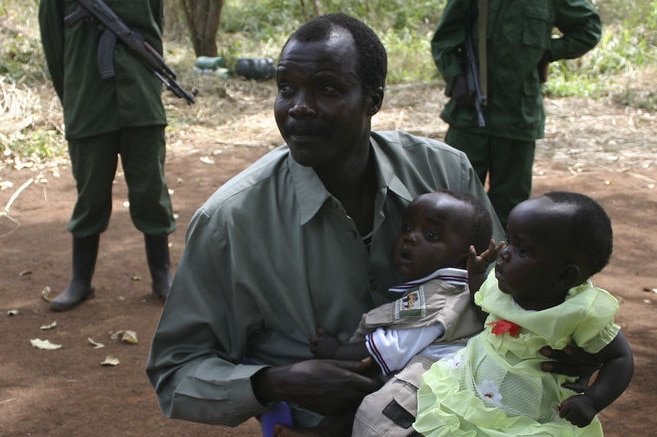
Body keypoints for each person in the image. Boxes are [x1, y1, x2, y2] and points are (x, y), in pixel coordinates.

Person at [146, 13, 594, 433]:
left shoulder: (444, 173)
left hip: (466, 412)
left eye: (326, 89)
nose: (298, 107)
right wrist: (274, 382)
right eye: (286, 88)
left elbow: (511, 289)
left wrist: (564, 344)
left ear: (373, 99)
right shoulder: (231, 221)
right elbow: (177, 369)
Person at [273, 189, 504, 436]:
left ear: (462, 260)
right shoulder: (437, 289)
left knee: (375, 404)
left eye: (431, 235)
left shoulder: (448, 299)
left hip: (428, 389)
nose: (410, 238)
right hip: (420, 377)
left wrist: (337, 351)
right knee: (366, 393)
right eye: (407, 228)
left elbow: (393, 348)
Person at [413, 191, 634, 436]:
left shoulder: (580, 313)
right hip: (470, 388)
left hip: (533, 418)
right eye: (509, 240)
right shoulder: (504, 287)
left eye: (523, 250)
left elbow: (620, 359)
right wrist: (476, 276)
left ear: (565, 276)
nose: (505, 253)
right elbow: (485, 311)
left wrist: (593, 400)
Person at [38, 0, 176, 311]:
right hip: (88, 103)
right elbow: (54, 48)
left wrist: (150, 86)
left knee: (152, 190)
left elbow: (155, 33)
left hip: (141, 102)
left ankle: (162, 276)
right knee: (90, 196)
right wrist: (74, 98)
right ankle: (80, 281)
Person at [431, 0, 602, 228]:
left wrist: (547, 51)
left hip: (519, 116)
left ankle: (498, 261)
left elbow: (589, 28)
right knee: (452, 200)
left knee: (510, 207)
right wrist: (456, 77)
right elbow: (445, 39)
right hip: (470, 115)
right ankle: (454, 262)